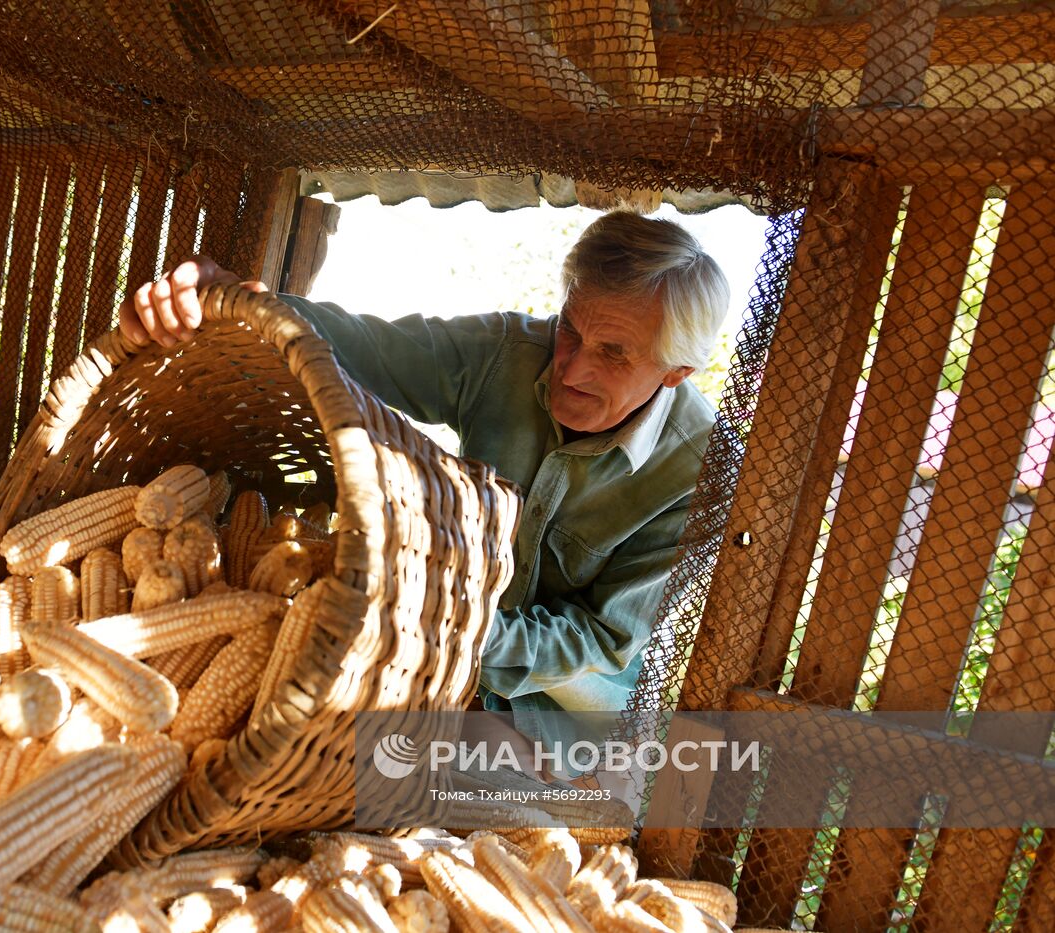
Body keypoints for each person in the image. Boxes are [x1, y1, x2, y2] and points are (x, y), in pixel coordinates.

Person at [120, 210, 729, 769]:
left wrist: (445, 624)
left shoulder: (697, 474)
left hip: (553, 719)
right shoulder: (508, 354)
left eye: (613, 354)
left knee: (396, 768)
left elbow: (599, 644)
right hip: (428, 658)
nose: (570, 368)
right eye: (568, 329)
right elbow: (362, 347)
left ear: (676, 372)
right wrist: (232, 296)